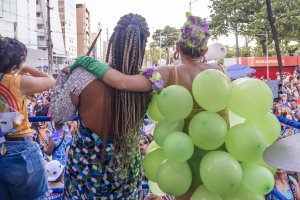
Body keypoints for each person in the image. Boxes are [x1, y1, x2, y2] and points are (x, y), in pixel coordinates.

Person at [71, 12, 229, 199]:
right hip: (220, 156)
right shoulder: (219, 70)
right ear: (204, 52)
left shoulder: (167, 73)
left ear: (177, 47)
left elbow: (123, 82)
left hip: (183, 158)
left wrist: (86, 62)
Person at [53, 13, 150, 199]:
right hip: (125, 168)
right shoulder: (148, 82)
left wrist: (63, 77)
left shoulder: (83, 75)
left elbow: (59, 116)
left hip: (85, 169)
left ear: (115, 41)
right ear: (142, 46)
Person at [0, 37, 55, 199]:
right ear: (15, 66)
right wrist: (25, 68)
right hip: (20, 150)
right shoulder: (16, 82)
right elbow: (50, 80)